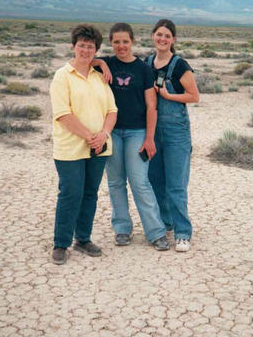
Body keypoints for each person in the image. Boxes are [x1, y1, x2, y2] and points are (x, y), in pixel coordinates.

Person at [96, 23, 169, 250]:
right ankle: (122, 229)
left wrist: (149, 138)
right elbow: (80, 59)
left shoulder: (143, 69)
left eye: (125, 41)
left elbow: (151, 107)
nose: (121, 46)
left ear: (133, 42)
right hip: (112, 131)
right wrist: (99, 62)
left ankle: (156, 232)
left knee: (139, 181)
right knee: (116, 181)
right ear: (111, 42)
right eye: (116, 42)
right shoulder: (105, 64)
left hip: (137, 132)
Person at [49, 24, 118, 265]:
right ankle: (61, 243)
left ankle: (83, 239)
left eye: (90, 47)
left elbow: (112, 110)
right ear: (73, 46)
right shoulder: (62, 76)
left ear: (96, 50)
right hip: (70, 147)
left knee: (90, 194)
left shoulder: (100, 78)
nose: (85, 50)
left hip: (99, 147)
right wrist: (91, 136)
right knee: (70, 193)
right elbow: (62, 114)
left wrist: (104, 135)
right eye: (81, 45)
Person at [146, 19, 200, 252]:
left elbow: (194, 96)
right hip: (152, 129)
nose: (162, 39)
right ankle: (164, 223)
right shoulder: (147, 62)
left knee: (176, 184)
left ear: (173, 39)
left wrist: (169, 96)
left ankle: (182, 233)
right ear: (153, 36)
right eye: (159, 34)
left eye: (167, 36)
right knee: (156, 180)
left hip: (176, 131)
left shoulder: (180, 65)